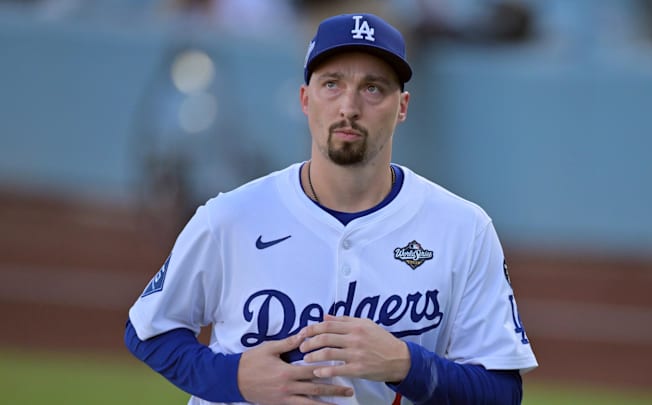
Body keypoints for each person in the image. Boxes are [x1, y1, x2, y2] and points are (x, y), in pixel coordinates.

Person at [124, 12, 538, 404]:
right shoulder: (230, 218)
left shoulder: (462, 229)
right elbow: (147, 331)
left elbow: (501, 391)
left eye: (373, 88)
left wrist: (405, 364)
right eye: (332, 84)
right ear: (306, 99)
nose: (349, 107)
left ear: (403, 107)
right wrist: (233, 378)